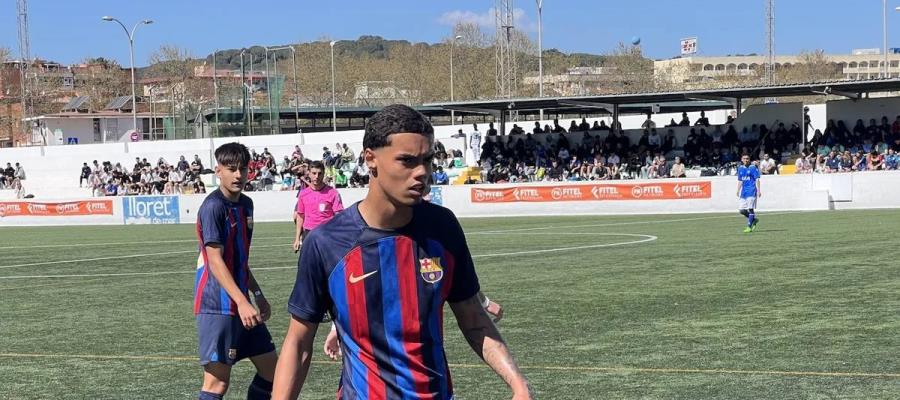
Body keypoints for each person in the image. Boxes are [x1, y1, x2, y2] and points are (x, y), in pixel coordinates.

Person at [272, 104, 531, 400]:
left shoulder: (442, 227)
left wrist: (518, 384)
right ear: (371, 159)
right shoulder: (326, 243)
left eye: (427, 159)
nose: (421, 172)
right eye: (407, 161)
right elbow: (299, 344)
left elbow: (473, 318)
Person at [194, 142, 276, 400]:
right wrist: (242, 301)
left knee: (273, 371)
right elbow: (215, 260)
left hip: (242, 304)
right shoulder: (213, 207)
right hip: (217, 304)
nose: (238, 175)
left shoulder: (246, 205)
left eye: (243, 168)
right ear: (218, 170)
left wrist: (258, 294)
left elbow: (239, 260)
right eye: (231, 169)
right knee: (217, 383)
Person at [292, 160, 344, 253]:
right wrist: (297, 239)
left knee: (327, 266)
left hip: (327, 234)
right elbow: (300, 216)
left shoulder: (333, 193)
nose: (316, 176)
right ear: (309, 174)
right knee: (309, 266)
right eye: (314, 173)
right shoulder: (303, 194)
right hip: (308, 234)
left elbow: (339, 216)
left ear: (323, 174)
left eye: (319, 173)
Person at [737, 154, 761, 233]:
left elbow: (757, 179)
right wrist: (738, 190)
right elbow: (740, 180)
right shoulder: (740, 168)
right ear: (741, 159)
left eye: (747, 158)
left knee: (750, 209)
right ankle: (754, 220)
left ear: (749, 159)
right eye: (744, 158)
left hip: (752, 191)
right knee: (741, 210)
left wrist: (759, 190)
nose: (746, 160)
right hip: (743, 192)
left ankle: (749, 226)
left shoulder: (753, 167)